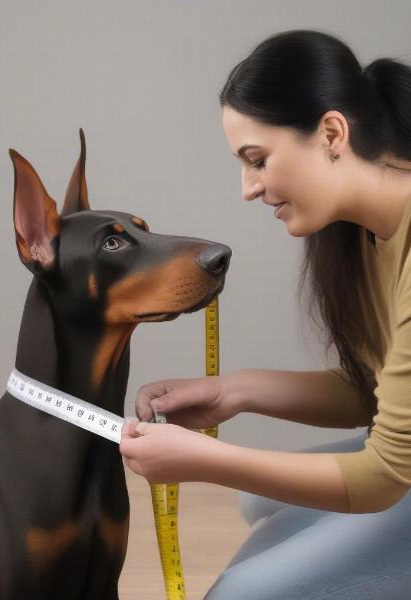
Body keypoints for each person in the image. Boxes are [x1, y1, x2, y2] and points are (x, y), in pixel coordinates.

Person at [119, 30, 411, 599]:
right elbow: (379, 391)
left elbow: (383, 477)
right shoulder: (366, 234)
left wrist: (207, 459)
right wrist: (237, 391)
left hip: (396, 477)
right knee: (261, 500)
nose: (248, 189)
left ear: (331, 132)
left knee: (240, 593)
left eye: (257, 160)